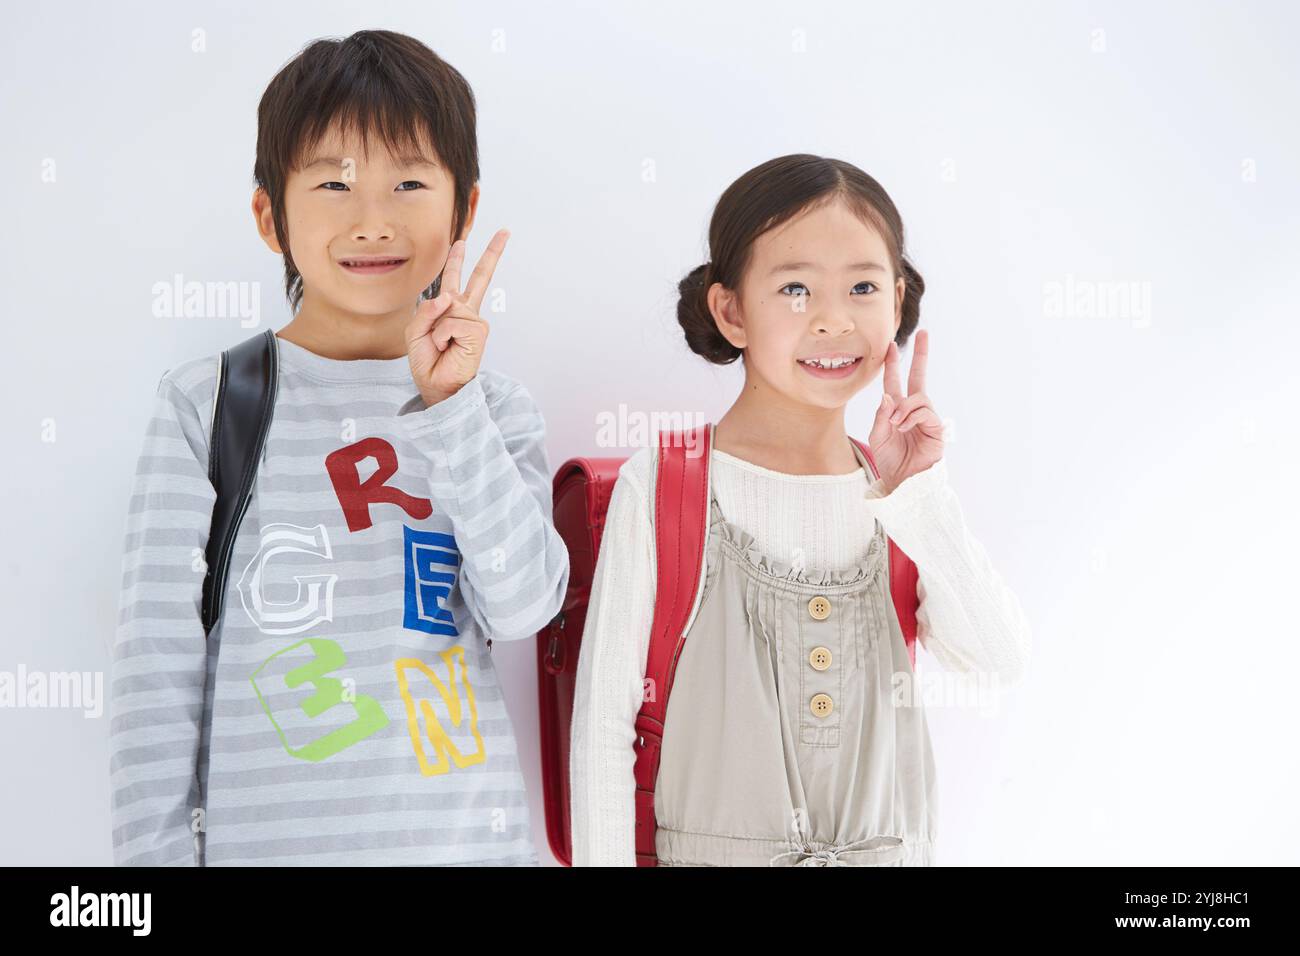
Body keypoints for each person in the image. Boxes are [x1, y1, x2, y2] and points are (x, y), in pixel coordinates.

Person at [109, 30, 568, 866]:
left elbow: (525, 608)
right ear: (268, 214)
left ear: (463, 209)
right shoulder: (208, 405)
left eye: (408, 182)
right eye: (332, 183)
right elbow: (155, 672)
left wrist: (452, 409)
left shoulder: (492, 409)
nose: (372, 220)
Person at [569, 154, 1032, 866]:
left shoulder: (899, 495)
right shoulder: (663, 487)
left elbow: (996, 662)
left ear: (899, 301)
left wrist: (919, 495)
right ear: (731, 310)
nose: (833, 320)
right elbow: (605, 725)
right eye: (794, 288)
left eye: (863, 287)